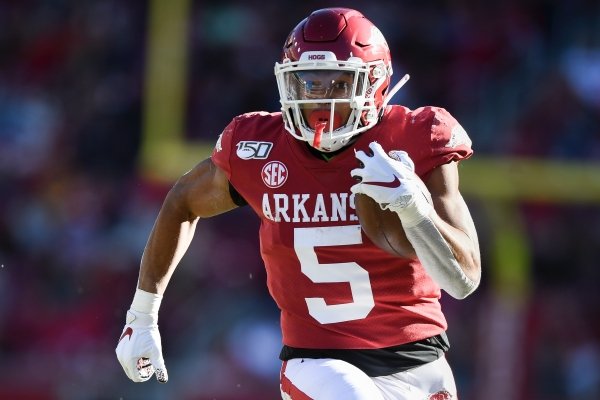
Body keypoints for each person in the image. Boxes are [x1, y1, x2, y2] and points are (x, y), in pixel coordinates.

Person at [115, 7, 481, 400]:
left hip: (422, 363)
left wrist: (415, 209)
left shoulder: (416, 138)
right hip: (320, 363)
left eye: (337, 85)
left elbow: (464, 280)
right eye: (308, 84)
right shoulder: (259, 147)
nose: (319, 102)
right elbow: (182, 202)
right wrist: (142, 313)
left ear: (374, 82)